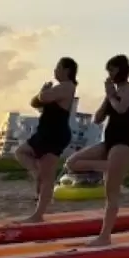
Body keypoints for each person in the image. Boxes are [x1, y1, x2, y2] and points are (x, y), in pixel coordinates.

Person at [65, 54, 129, 247]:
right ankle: (111, 167)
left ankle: (105, 236)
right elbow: (97, 119)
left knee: (111, 194)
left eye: (113, 70)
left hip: (123, 143)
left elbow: (122, 109)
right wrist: (106, 98)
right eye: (108, 71)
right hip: (109, 141)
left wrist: (111, 95)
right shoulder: (112, 93)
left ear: (122, 69)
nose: (110, 74)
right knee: (72, 163)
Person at [15, 57, 78, 223]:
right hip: (44, 132)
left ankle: (38, 214)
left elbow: (41, 98)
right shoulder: (58, 88)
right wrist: (42, 94)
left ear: (67, 70)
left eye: (58, 67)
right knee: (21, 152)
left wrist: (43, 91)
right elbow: (35, 102)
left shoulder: (67, 87)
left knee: (47, 176)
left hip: (55, 134)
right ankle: (35, 174)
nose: (55, 70)